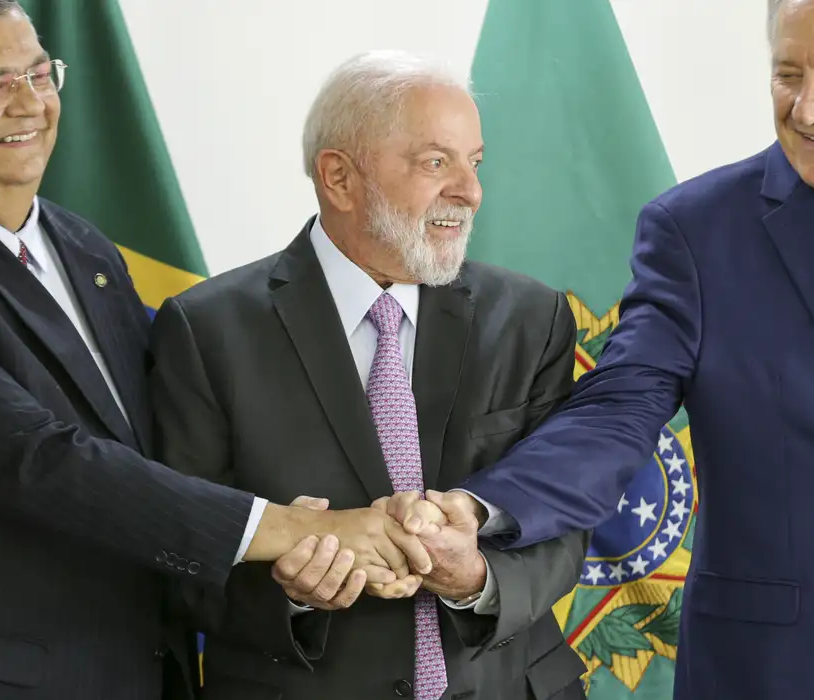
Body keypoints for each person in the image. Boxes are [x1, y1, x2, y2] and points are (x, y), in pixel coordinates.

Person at [0, 3, 432, 699]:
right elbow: (40, 461)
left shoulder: (83, 248)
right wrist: (294, 529)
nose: (31, 104)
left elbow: (168, 424)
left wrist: (324, 543)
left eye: (40, 75)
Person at [393, 0, 814, 698]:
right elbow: (616, 413)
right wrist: (481, 507)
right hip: (779, 670)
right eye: (788, 74)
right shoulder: (699, 232)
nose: (806, 107)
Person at [148, 51, 588, 700]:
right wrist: (291, 595)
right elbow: (176, 551)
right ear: (339, 178)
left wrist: (477, 578)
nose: (470, 192)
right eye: (436, 162)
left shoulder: (532, 317)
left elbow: (563, 515)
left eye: (474, 162)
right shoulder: (205, 330)